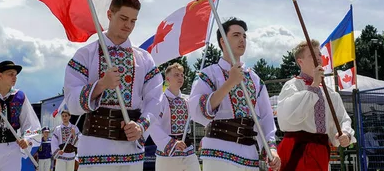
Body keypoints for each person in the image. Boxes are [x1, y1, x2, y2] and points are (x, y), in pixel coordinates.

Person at [63, 0, 164, 170]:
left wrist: (141, 126)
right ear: (110, 15)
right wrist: (101, 85)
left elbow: (155, 99)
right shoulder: (85, 54)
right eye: (123, 18)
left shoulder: (144, 59)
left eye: (133, 21)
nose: (128, 25)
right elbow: (71, 101)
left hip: (130, 150)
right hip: (95, 147)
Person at [190, 18, 280, 171]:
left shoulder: (255, 79)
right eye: (236, 35)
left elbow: (266, 118)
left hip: (249, 155)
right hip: (219, 153)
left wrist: (271, 148)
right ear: (223, 41)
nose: (242, 40)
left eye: (244, 36)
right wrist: (230, 83)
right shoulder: (208, 74)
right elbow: (198, 111)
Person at [277, 40, 355, 171]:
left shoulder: (330, 93)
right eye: (312, 55)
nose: (318, 58)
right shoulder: (292, 86)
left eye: (319, 54)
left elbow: (343, 118)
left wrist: (345, 134)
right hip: (296, 148)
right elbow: (289, 116)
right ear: (300, 61)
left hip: (321, 151)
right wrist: (313, 86)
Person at [149, 63, 199, 171]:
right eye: (176, 75)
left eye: (182, 75)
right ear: (167, 79)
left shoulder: (188, 100)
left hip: (188, 152)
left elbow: (200, 116)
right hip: (168, 155)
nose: (180, 77)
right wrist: (171, 143)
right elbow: (153, 125)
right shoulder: (160, 100)